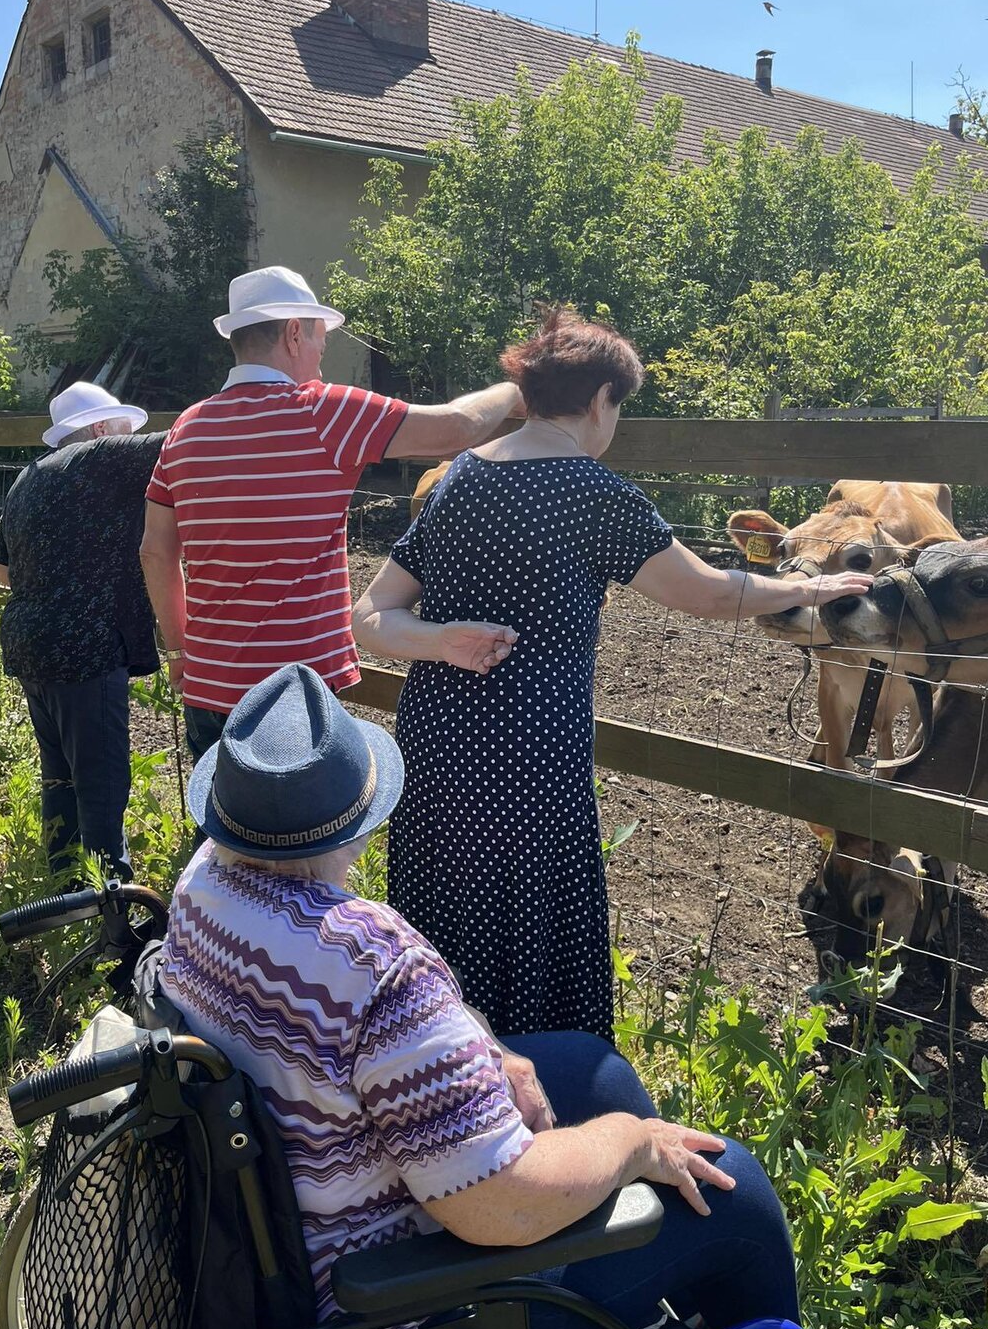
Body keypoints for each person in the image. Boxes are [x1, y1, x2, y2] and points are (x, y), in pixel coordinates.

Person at [155, 662, 800, 1329]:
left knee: (593, 1067)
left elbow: (385, 1035)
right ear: (357, 823)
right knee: (737, 1194)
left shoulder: (204, 883)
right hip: (395, 1311)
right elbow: (499, 1206)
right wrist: (630, 1144)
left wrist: (488, 1047)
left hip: (271, 1248)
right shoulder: (375, 964)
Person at [352, 312, 874, 1040]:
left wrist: (441, 642)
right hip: (532, 753)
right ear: (601, 400)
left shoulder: (459, 479)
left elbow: (369, 616)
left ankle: (435, 1058)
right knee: (533, 917)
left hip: (437, 742)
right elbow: (707, 593)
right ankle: (532, 1072)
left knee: (447, 906)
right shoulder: (593, 492)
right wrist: (805, 588)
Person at [140, 266, 524, 763]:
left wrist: (178, 650)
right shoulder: (324, 411)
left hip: (209, 684)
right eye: (321, 338)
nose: (322, 356)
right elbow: (457, 426)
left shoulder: (186, 429)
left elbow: (155, 551)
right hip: (297, 692)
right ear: (293, 333)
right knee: (304, 813)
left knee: (217, 812)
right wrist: (514, 391)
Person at [0, 382, 164, 883]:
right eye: (125, 429)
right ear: (101, 429)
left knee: (60, 775)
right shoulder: (102, 457)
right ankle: (112, 901)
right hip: (84, 652)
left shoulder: (29, 477)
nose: (131, 439)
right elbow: (189, 440)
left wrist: (56, 579)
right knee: (102, 782)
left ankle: (63, 882)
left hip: (30, 646)